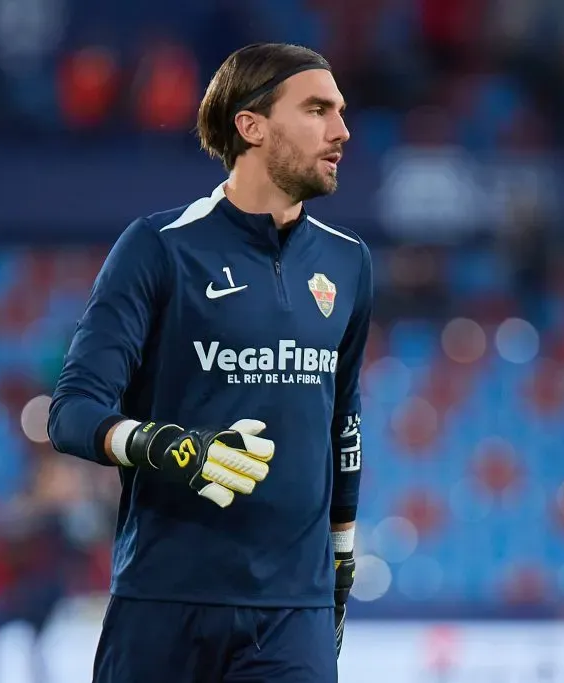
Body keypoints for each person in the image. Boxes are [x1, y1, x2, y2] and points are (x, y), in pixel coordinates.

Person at [47, 42, 372, 683]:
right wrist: (166, 445)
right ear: (251, 125)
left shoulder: (349, 262)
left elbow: (344, 420)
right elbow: (72, 412)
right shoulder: (158, 248)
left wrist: (340, 564)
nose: (342, 131)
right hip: (163, 605)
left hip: (293, 616)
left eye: (339, 111)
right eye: (317, 110)